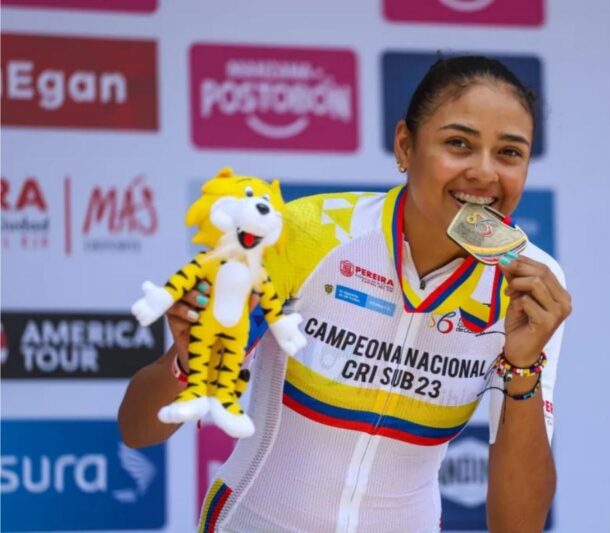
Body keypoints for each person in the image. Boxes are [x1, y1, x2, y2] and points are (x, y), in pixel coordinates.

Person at [118, 55, 571, 533]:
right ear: (405, 145)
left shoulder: (529, 283)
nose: (484, 172)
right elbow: (138, 429)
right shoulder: (308, 235)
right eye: (459, 144)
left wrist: (523, 365)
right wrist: (185, 363)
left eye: (509, 153)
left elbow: (517, 526)